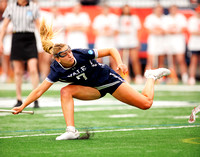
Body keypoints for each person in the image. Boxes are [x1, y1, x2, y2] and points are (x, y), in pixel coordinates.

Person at [12, 19, 171, 140]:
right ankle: (71, 130)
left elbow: (110, 49)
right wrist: (22, 105)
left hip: (108, 80)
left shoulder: (80, 53)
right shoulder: (56, 69)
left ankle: (150, 77)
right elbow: (40, 90)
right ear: (57, 59)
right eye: (65, 54)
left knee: (146, 104)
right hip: (93, 90)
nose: (70, 54)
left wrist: (120, 63)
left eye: (69, 51)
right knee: (65, 91)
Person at [0, 0, 40, 108]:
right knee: (18, 71)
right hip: (17, 38)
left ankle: (35, 99)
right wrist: (0, 41)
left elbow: (38, 25)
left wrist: (44, 39)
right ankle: (19, 98)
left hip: (30, 38)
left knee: (33, 69)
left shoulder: (33, 7)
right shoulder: (11, 7)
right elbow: (4, 26)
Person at [117, 4, 142, 84]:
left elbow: (138, 30)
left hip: (132, 41)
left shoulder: (134, 18)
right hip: (122, 42)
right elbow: (116, 30)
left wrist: (138, 41)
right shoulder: (119, 19)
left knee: (134, 60)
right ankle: (125, 76)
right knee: (123, 61)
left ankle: (138, 76)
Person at [163, 5, 188, 84]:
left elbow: (184, 28)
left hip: (178, 41)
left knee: (180, 59)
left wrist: (175, 32)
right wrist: (170, 32)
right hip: (169, 41)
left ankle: (184, 76)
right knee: (171, 60)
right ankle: (173, 77)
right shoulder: (166, 18)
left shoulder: (181, 17)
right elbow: (164, 30)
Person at [92, 4, 119, 69]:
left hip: (111, 41)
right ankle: (99, 77)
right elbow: (94, 31)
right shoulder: (98, 18)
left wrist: (109, 33)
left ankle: (116, 76)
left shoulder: (114, 18)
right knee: (98, 60)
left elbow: (117, 31)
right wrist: (104, 33)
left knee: (113, 60)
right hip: (101, 41)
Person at [144, 4, 166, 70]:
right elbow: (148, 29)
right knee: (151, 60)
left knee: (161, 60)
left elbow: (166, 30)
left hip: (162, 41)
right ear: (154, 10)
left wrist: (159, 31)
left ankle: (160, 77)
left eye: (160, 9)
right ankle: (147, 75)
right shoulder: (149, 18)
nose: (159, 11)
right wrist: (158, 32)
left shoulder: (165, 18)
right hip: (153, 41)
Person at [187, 6, 200, 85]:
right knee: (193, 61)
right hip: (194, 44)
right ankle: (192, 77)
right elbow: (193, 31)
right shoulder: (192, 20)